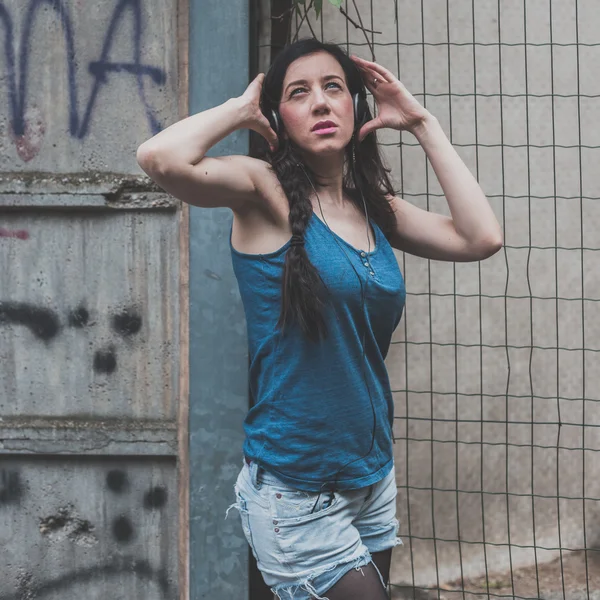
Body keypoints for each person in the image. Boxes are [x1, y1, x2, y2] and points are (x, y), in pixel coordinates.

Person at [137, 37, 502, 600]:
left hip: (370, 475)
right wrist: (239, 110)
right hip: (298, 488)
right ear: (278, 116)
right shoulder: (264, 192)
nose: (321, 103)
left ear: (356, 104)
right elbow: (159, 158)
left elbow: (481, 237)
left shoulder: (374, 205)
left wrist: (422, 123)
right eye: (298, 93)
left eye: (333, 87)